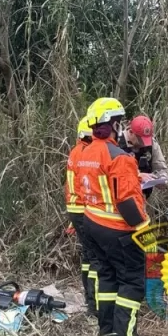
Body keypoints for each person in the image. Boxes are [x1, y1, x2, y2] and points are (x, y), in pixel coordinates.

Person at [75, 97, 151, 336]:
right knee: (132, 282)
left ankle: (107, 330)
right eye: (119, 122)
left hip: (92, 224)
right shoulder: (120, 158)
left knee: (106, 276)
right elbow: (127, 202)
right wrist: (143, 231)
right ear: (113, 124)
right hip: (119, 230)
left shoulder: (85, 152)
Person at [65, 116, 99, 317]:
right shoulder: (88, 153)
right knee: (95, 257)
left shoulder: (75, 151)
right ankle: (94, 305)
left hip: (75, 209)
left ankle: (89, 299)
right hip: (85, 209)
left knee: (88, 255)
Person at [118, 115, 168, 199]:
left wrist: (162, 179)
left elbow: (160, 168)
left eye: (146, 139)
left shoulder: (152, 143)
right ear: (131, 132)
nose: (143, 144)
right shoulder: (116, 143)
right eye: (140, 140)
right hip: (120, 199)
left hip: (142, 198)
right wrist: (137, 176)